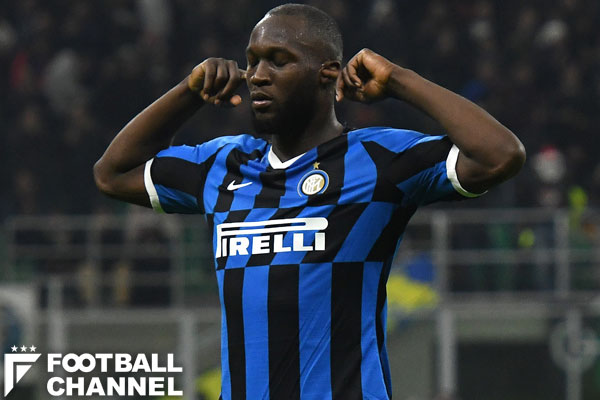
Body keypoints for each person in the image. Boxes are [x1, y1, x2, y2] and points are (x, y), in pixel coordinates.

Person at [94, 3, 525, 399]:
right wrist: (188, 93)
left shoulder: (378, 160)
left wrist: (399, 80)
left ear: (327, 73)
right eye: (252, 61)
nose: (258, 75)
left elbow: (499, 154)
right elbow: (112, 173)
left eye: (279, 61)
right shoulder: (223, 165)